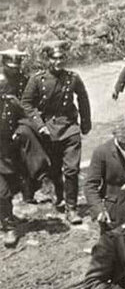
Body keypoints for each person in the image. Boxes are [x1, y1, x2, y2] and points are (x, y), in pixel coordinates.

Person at [22, 42, 91, 225]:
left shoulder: (73, 78)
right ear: (48, 60)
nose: (58, 61)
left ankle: (72, 208)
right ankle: (59, 196)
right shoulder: (37, 80)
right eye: (54, 58)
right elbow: (27, 103)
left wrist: (85, 123)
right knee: (54, 168)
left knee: (72, 170)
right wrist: (40, 125)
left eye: (61, 58)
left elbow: (83, 99)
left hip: (70, 127)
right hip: (49, 129)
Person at [1, 49, 48, 206]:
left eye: (17, 67)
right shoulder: (1, 79)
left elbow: (29, 103)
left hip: (19, 120)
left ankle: (37, 181)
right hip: (3, 124)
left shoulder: (24, 80)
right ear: (4, 64)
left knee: (28, 136)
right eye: (11, 67)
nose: (14, 70)